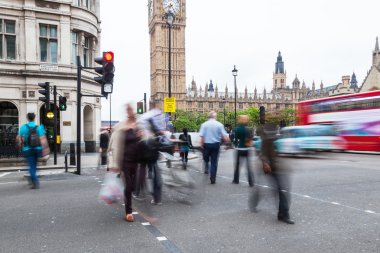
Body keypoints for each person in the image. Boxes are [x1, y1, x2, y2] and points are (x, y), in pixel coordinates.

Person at [250, 123, 294, 224]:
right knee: (263, 188)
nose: (274, 134)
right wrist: (265, 163)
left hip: (277, 168)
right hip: (268, 168)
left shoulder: (275, 139)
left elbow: (278, 153)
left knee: (282, 190)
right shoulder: (267, 140)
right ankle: (253, 202)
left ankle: (283, 214)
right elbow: (262, 154)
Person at [108, 104, 140, 222]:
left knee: (134, 186)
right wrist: (112, 163)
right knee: (129, 186)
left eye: (131, 110)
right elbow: (112, 145)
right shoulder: (121, 126)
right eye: (128, 110)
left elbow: (145, 140)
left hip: (136, 160)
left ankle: (128, 196)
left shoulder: (138, 126)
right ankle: (129, 212)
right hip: (124, 160)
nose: (130, 112)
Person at [17, 113, 49, 189]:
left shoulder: (23, 127)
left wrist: (20, 144)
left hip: (27, 149)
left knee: (31, 166)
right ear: (34, 118)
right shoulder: (39, 128)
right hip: (37, 149)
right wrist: (46, 149)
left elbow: (18, 138)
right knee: (34, 165)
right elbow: (43, 139)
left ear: (27, 118)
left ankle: (35, 181)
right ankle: (33, 179)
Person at [199, 111, 230, 184]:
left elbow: (202, 136)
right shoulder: (219, 124)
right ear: (214, 117)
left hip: (206, 145)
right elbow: (224, 136)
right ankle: (213, 176)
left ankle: (208, 168)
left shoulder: (204, 125)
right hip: (216, 145)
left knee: (206, 159)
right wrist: (228, 143)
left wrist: (201, 145)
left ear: (209, 117)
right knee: (214, 162)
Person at [232, 115, 254, 187]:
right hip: (247, 149)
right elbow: (251, 138)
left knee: (238, 165)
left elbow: (234, 139)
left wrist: (235, 145)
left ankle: (236, 180)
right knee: (248, 166)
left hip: (239, 149)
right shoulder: (250, 129)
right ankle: (251, 182)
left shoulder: (237, 129)